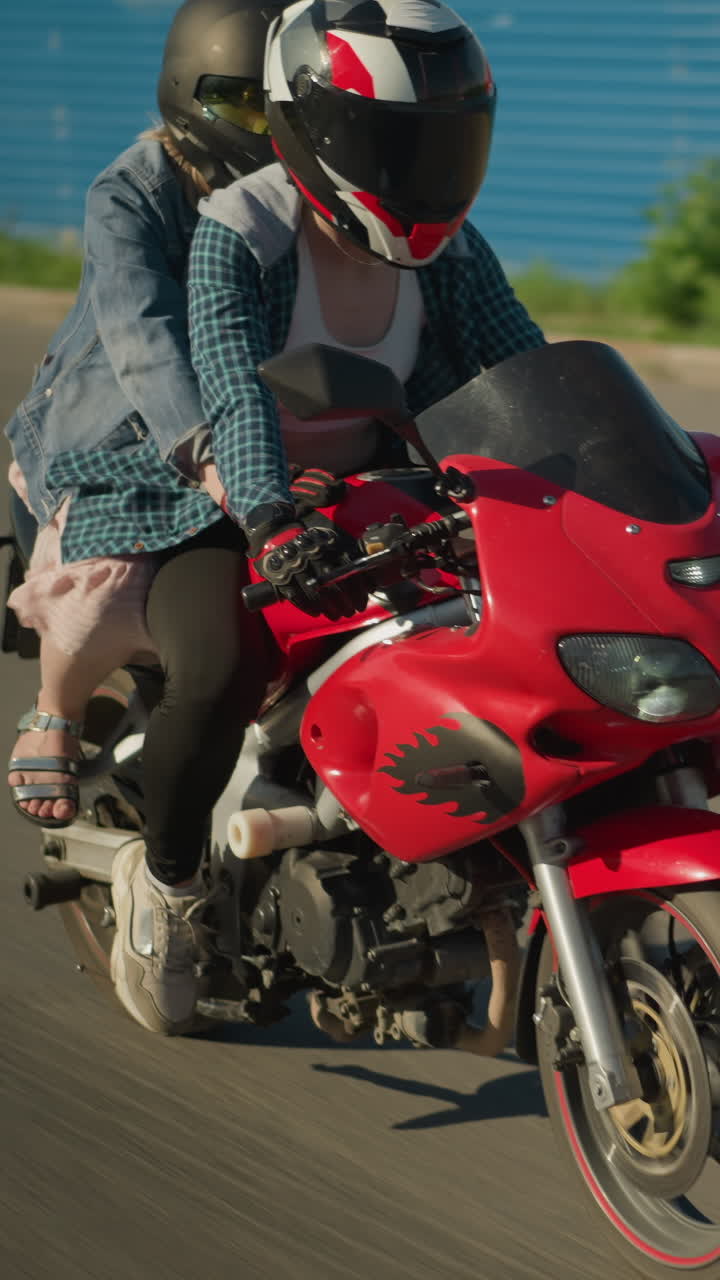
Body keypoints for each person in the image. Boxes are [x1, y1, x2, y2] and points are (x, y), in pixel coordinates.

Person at [20, 0, 547, 1037]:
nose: (416, 166)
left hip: (367, 483)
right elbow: (201, 373)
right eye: (388, 140)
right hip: (182, 472)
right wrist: (256, 505)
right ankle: (166, 887)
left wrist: (636, 469)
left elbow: (523, 363)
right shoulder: (219, 223)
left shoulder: (445, 247)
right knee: (215, 667)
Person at [5, 0, 280, 829]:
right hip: (117, 424)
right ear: (189, 93)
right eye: (243, 103)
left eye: (280, 105)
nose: (265, 126)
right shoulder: (132, 188)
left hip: (250, 412)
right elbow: (142, 336)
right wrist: (206, 453)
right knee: (115, 574)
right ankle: (52, 710)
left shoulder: (294, 195)